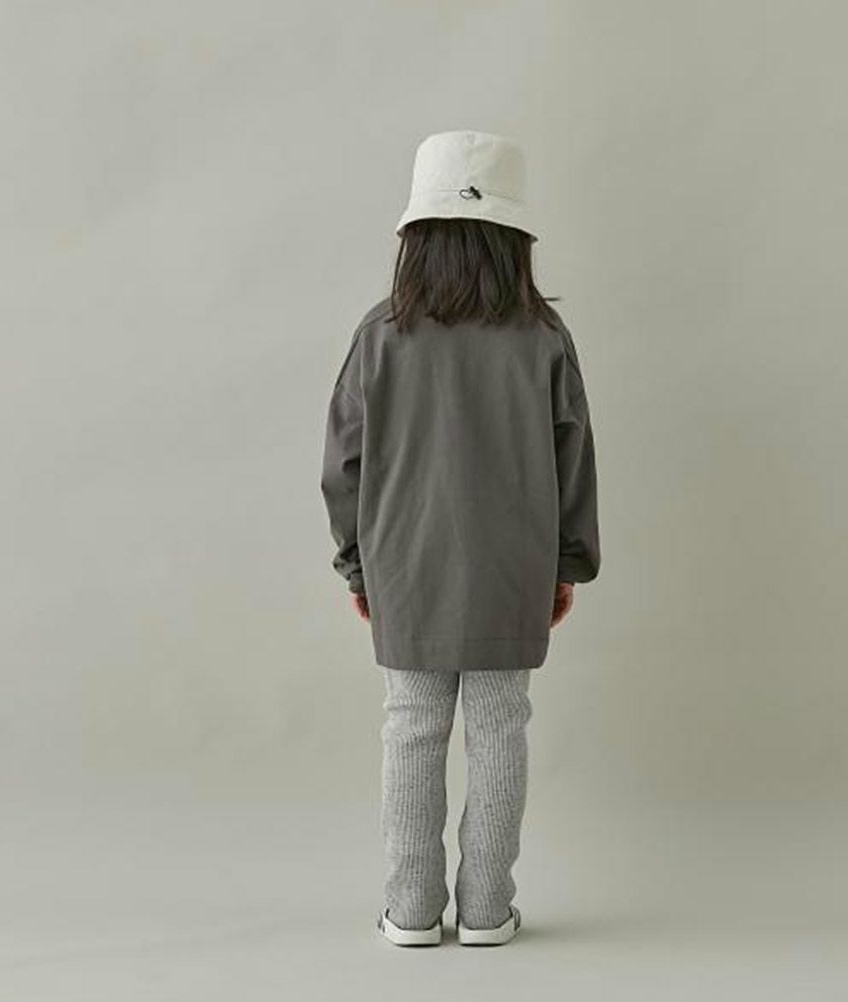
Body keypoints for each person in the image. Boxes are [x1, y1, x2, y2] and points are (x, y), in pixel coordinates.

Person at [320, 130, 600, 947]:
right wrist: (566, 563)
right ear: (514, 238)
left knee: (410, 725)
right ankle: (486, 910)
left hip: (405, 564)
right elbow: (573, 457)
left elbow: (343, 463)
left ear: (416, 234)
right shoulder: (543, 336)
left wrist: (358, 566)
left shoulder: (380, 333)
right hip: (512, 565)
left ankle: (410, 910)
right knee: (501, 724)